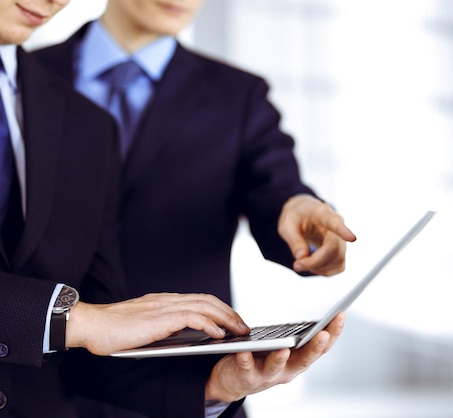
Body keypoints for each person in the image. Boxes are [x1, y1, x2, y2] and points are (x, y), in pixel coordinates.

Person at [0, 0, 346, 417]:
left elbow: (272, 182)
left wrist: (212, 387)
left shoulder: (82, 118)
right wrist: (71, 319)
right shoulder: (34, 64)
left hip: (130, 379)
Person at [34, 0, 357, 417]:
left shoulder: (237, 95)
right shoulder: (19, 75)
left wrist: (298, 209)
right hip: (39, 382)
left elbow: (275, 185)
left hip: (191, 384)